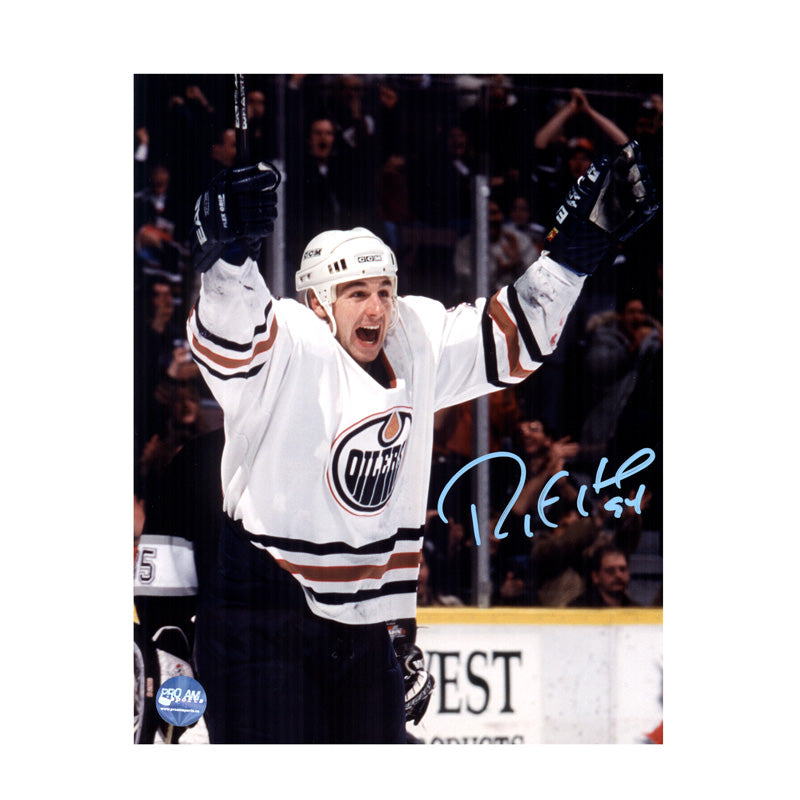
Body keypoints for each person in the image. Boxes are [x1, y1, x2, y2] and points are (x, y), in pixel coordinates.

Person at [183, 140, 658, 743]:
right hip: (262, 604)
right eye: (356, 293)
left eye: (384, 289)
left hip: (366, 618)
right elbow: (229, 335)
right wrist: (227, 260)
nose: (377, 306)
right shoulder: (289, 339)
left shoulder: (415, 332)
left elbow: (517, 339)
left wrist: (575, 254)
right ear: (318, 303)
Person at [568, 542, 638, 607]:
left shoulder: (637, 610)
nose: (618, 575)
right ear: (595, 577)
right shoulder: (578, 609)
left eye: (622, 569)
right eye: (610, 570)